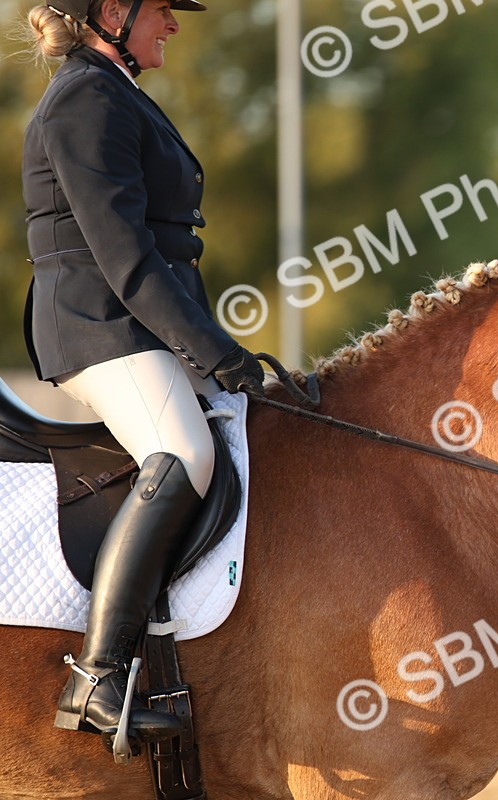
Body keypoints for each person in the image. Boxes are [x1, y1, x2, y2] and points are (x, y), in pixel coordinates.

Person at [20, 0, 264, 744]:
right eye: (163, 8)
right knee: (184, 452)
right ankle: (97, 678)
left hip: (134, 325)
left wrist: (223, 355)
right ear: (113, 11)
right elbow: (127, 260)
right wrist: (216, 351)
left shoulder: (115, 91)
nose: (175, 23)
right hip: (99, 328)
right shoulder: (85, 102)